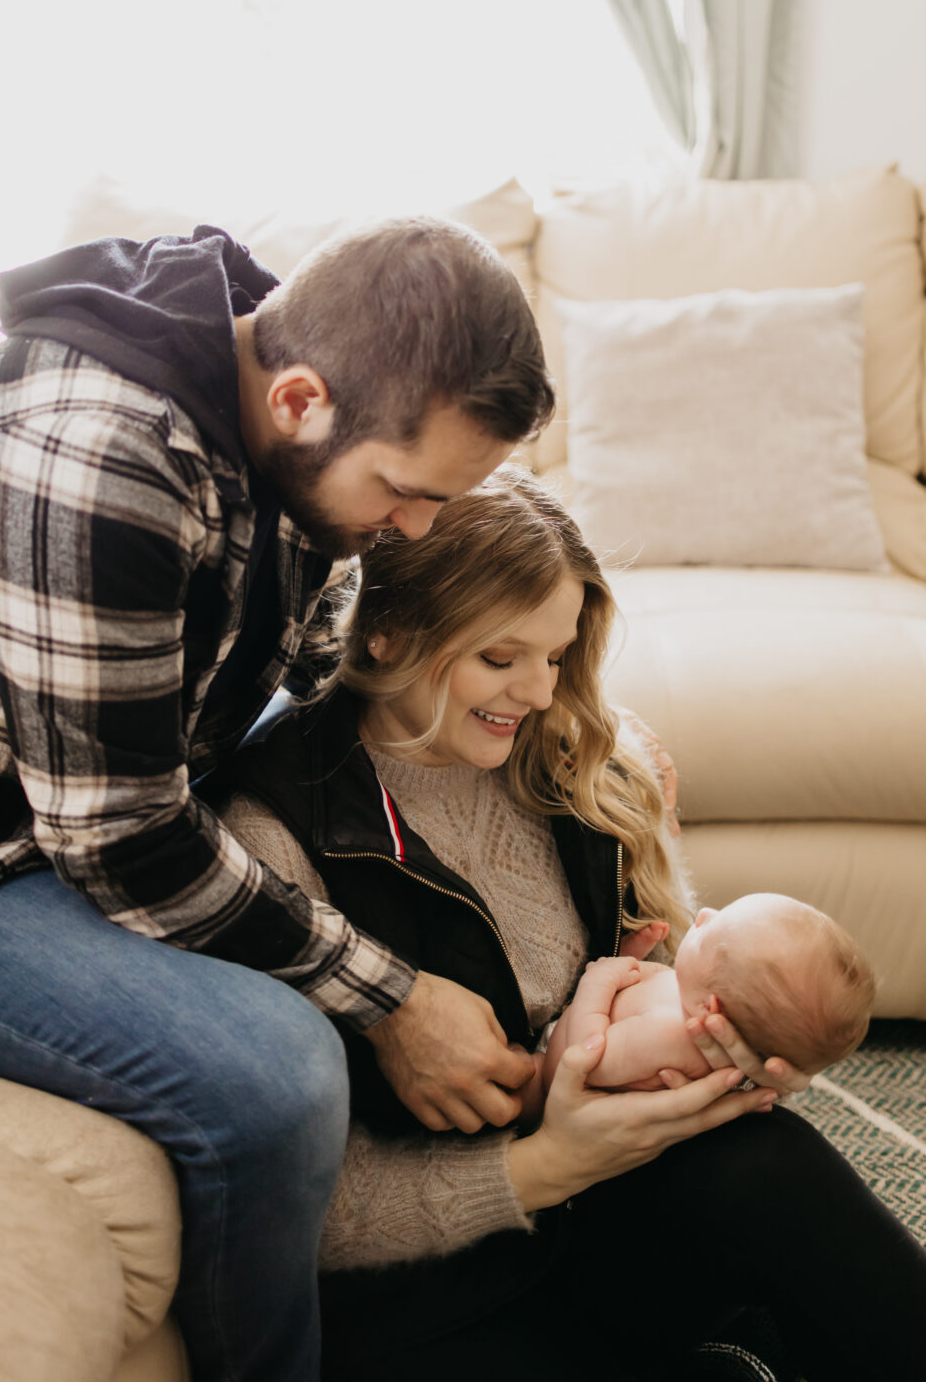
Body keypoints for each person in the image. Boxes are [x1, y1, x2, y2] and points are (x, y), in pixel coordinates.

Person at [0, 215, 565, 1382]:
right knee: (272, 1076)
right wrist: (391, 1001)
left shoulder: (280, 426)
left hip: (101, 793)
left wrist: (554, 755)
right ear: (298, 398)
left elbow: (297, 688)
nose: (419, 527)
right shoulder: (92, 458)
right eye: (405, 490)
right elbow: (124, 839)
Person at [224, 465, 926, 1382]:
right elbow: (303, 1218)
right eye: (500, 658)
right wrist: (549, 1163)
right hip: (430, 1289)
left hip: (598, 1214)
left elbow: (656, 978)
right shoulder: (275, 834)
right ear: (388, 637)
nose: (541, 693)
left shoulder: (573, 758)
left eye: (556, 656)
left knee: (769, 1167)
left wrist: (723, 1056)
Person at [526, 893, 875, 1111]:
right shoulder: (691, 1002)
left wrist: (596, 981)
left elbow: (573, 1067)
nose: (705, 913)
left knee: (516, 1079)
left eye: (711, 934)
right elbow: (639, 1001)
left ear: (712, 1009)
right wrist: (631, 961)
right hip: (567, 1033)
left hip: (546, 1078)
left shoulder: (669, 1036)